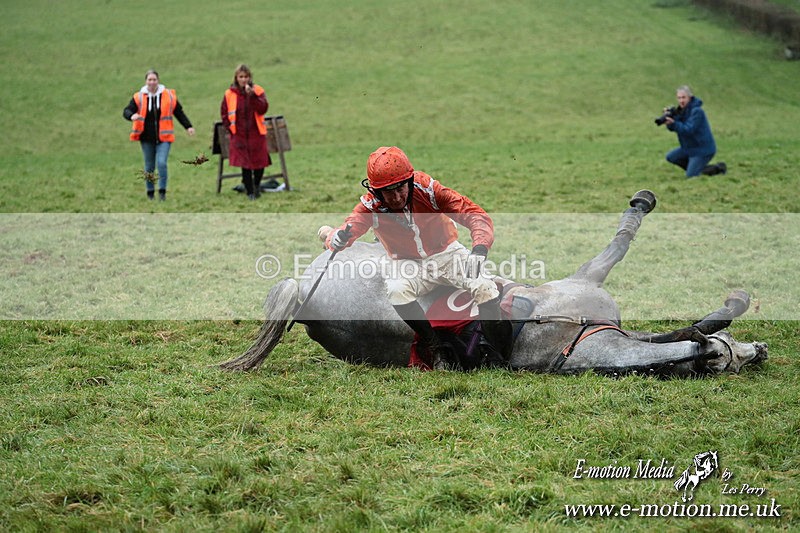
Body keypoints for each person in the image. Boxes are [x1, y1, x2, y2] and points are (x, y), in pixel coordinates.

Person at [325, 146, 503, 369]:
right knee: (397, 290)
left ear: (409, 181)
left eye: (400, 188)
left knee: (485, 286)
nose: (397, 197)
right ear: (376, 191)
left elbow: (474, 214)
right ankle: (435, 344)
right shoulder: (369, 207)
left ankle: (496, 354)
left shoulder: (429, 190)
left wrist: (479, 248)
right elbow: (345, 233)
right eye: (388, 191)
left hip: (447, 253)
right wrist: (336, 238)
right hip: (406, 263)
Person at [123, 69, 195, 200]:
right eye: (149, 80)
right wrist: (131, 115)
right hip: (146, 138)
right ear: (146, 81)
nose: (152, 82)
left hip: (164, 137)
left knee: (161, 163)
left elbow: (178, 112)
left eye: (154, 79)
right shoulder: (139, 97)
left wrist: (188, 126)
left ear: (158, 81)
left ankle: (162, 191)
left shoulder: (168, 95)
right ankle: (150, 192)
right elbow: (126, 110)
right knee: (149, 166)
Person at [220, 64, 272, 200]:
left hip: (256, 133)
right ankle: (250, 192)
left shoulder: (258, 90)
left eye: (246, 77)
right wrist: (230, 128)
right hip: (239, 134)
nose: (243, 80)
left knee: (261, 162)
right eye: (241, 77)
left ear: (250, 78)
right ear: (236, 78)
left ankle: (256, 186)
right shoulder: (229, 94)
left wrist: (253, 96)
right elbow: (224, 113)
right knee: (246, 164)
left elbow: (263, 108)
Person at [663, 85, 726, 178]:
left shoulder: (697, 111)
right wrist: (669, 121)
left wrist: (674, 123)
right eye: (679, 98)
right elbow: (673, 128)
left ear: (690, 97)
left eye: (683, 97)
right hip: (688, 148)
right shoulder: (680, 111)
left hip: (702, 150)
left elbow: (688, 130)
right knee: (670, 157)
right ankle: (695, 168)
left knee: (691, 176)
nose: (681, 100)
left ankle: (718, 168)